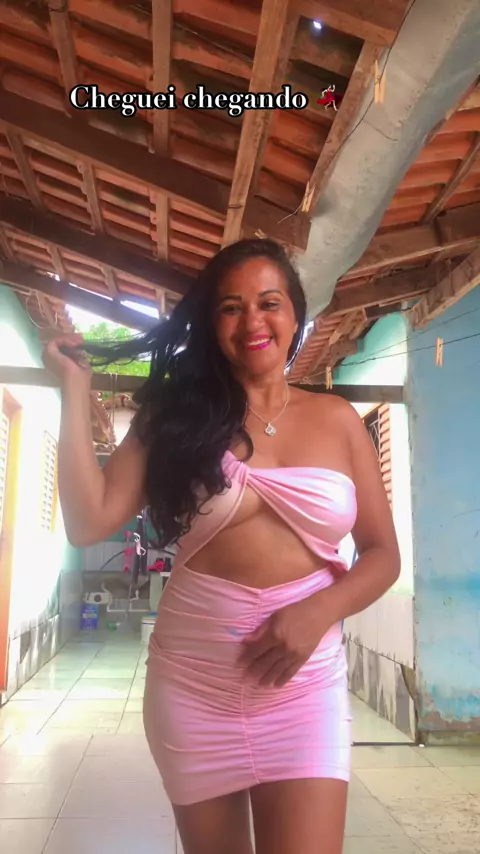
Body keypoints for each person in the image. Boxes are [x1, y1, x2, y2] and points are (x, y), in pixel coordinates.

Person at [43, 238, 400, 854]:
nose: (252, 321)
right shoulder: (178, 418)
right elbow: (87, 520)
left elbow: (383, 554)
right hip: (194, 687)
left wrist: (317, 612)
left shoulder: (338, 419)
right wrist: (74, 391)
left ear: (296, 314)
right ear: (212, 325)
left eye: (269, 303)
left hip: (304, 687)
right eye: (231, 307)